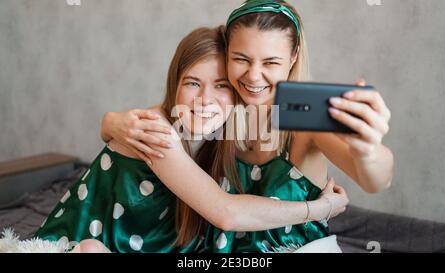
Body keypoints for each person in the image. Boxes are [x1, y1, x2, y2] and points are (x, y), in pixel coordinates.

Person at [101, 0, 393, 253]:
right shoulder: (217, 112)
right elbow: (154, 119)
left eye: (271, 62)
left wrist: (368, 152)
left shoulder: (303, 122)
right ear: (227, 54)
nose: (254, 76)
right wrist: (112, 121)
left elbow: (375, 181)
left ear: (292, 58)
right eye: (241, 59)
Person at [35, 25, 348, 253]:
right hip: (87, 245)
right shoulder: (158, 130)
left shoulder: (225, 132)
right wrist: (321, 208)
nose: (205, 99)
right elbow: (226, 213)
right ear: (175, 85)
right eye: (193, 83)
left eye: (221, 85)